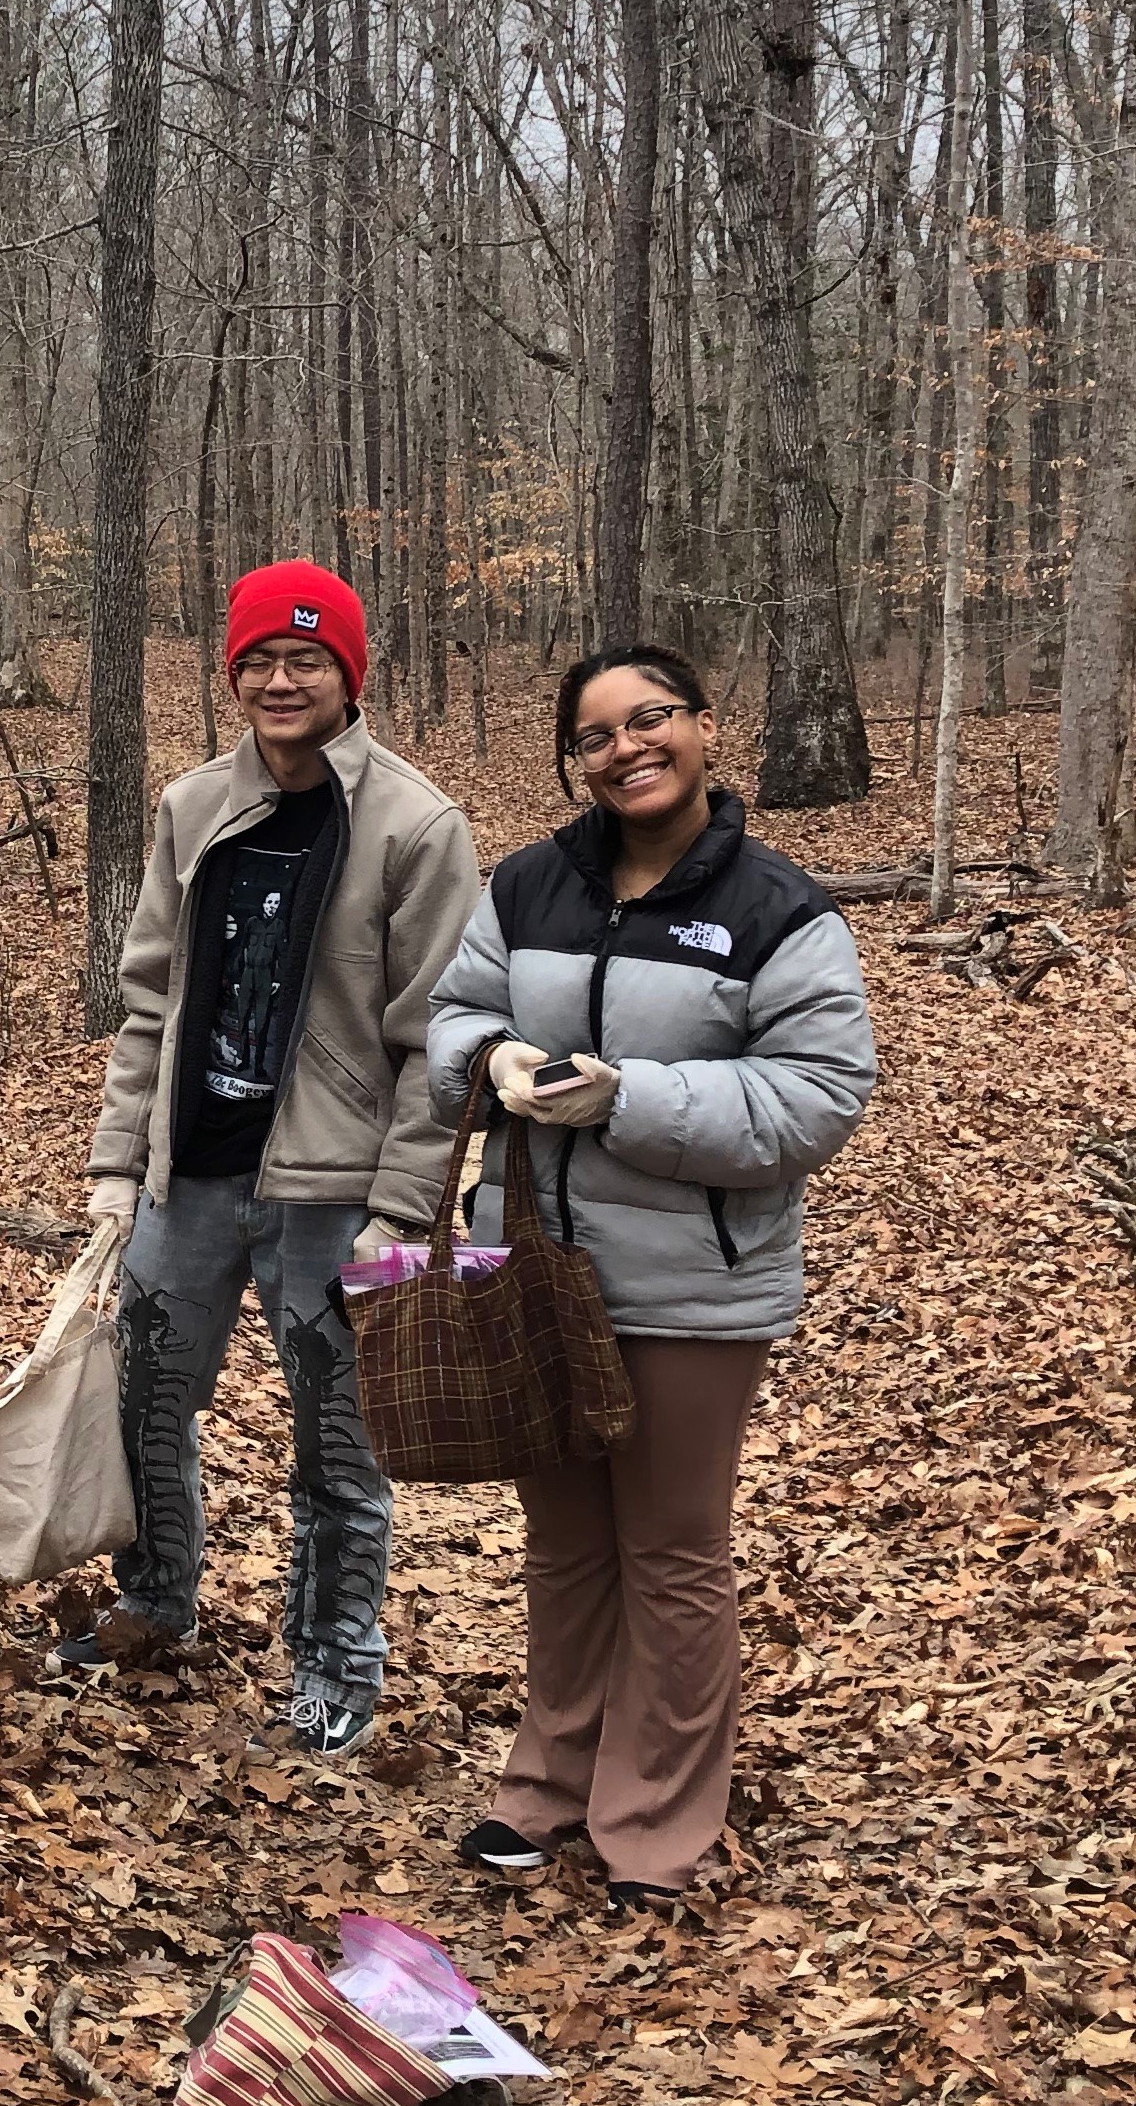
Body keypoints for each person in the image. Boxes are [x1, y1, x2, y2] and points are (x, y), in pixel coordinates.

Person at [425, 644, 874, 1908]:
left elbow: (818, 1096)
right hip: (535, 1268)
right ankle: (549, 1786)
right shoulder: (529, 884)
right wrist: (496, 1060)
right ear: (572, 759)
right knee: (565, 1545)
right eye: (596, 735)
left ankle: (657, 1825)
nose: (626, 749)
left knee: (670, 1551)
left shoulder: (778, 909)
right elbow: (451, 1017)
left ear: (707, 729)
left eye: (651, 720)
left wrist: (630, 1100)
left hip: (694, 1286)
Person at [73, 562, 480, 1755]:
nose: (283, 680)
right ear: (233, 673)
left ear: (350, 675)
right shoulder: (193, 807)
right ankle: (156, 1603)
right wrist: (117, 1160)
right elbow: (149, 1002)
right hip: (191, 1173)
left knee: (339, 1443)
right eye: (259, 659)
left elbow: (439, 1043)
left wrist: (403, 1210)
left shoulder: (416, 825)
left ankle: (337, 1663)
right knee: (147, 1400)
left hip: (337, 1192)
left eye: (309, 659)